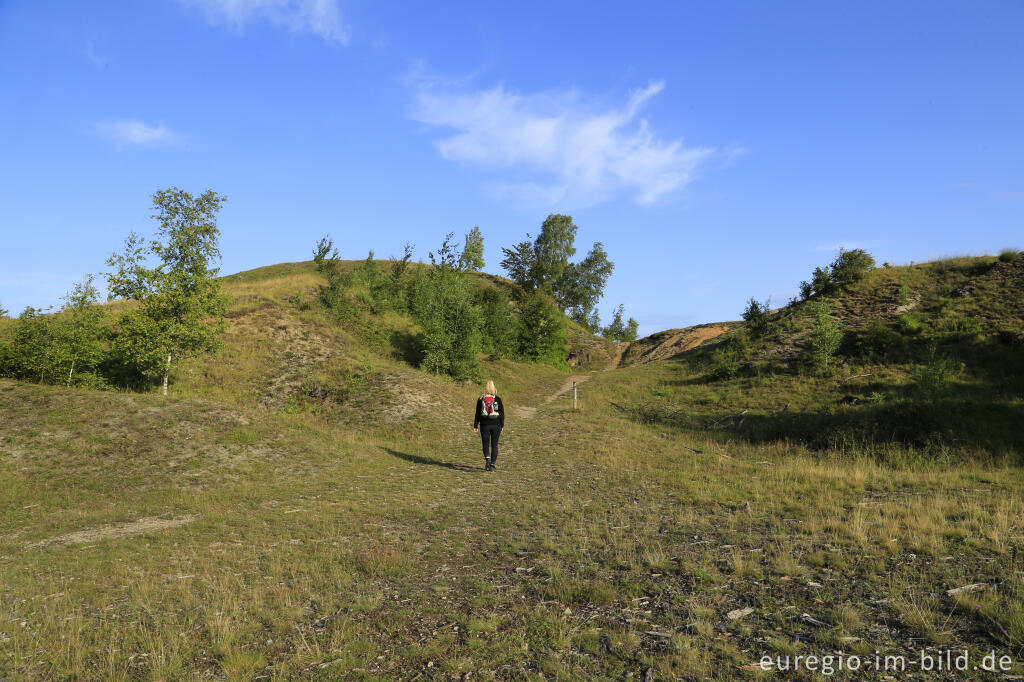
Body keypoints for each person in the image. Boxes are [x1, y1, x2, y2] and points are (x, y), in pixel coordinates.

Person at [473, 379, 505, 471]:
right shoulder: (498, 399)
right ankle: (492, 465)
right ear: (494, 387)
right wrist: (502, 425)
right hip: (496, 424)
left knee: (485, 443)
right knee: (494, 445)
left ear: (485, 387)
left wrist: (475, 425)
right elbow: (502, 413)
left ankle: (487, 458)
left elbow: (477, 413)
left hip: (484, 424)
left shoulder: (481, 399)